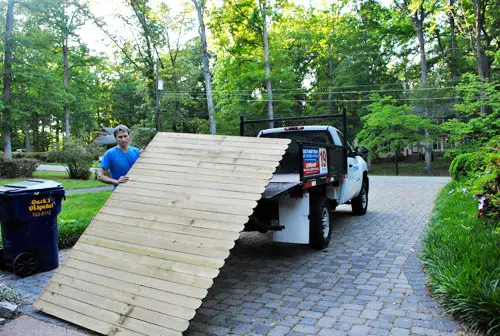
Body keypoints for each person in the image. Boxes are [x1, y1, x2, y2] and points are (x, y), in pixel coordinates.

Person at [97, 124, 140, 188]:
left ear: (129, 136)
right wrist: (116, 181)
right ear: (116, 138)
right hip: (119, 193)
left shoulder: (136, 151)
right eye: (120, 137)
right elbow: (100, 176)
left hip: (138, 190)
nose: (123, 139)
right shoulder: (110, 153)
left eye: (125, 136)